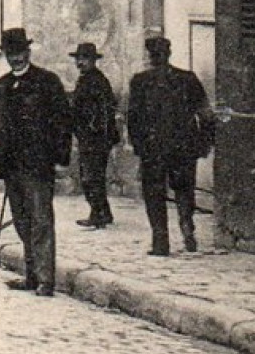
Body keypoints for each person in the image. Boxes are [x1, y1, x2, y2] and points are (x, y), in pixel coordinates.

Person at [0, 28, 71, 297]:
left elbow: (62, 121)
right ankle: (30, 275)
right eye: (10, 54)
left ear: (28, 52)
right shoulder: (2, 84)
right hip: (13, 166)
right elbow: (1, 127)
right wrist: (2, 164)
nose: (15, 58)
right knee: (21, 221)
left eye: (20, 53)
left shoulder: (47, 81)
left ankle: (45, 280)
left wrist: (60, 157)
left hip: (38, 165)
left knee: (41, 221)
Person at [127, 34, 214, 256]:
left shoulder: (140, 81)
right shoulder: (188, 79)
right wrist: (203, 144)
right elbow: (206, 114)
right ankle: (187, 229)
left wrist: (138, 146)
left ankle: (160, 241)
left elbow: (133, 118)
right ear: (169, 54)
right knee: (184, 190)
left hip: (153, 149)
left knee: (154, 194)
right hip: (183, 147)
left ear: (150, 56)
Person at [70, 42, 120, 229]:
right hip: (88, 136)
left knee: (90, 177)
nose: (80, 62)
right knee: (92, 175)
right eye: (78, 59)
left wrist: (95, 130)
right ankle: (103, 212)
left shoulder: (97, 81)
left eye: (84, 59)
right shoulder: (85, 79)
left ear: (93, 61)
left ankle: (97, 214)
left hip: (96, 137)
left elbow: (105, 109)